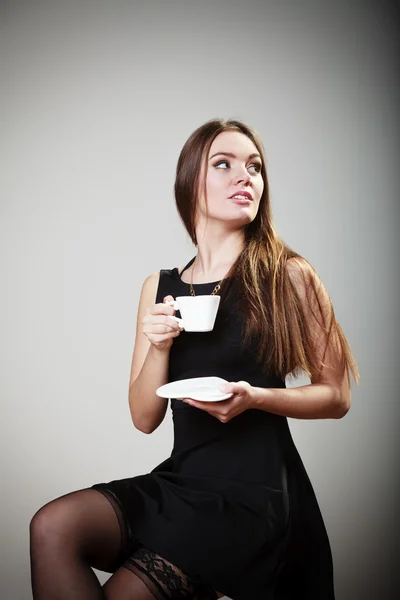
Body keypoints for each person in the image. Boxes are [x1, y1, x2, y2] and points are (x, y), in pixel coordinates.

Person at [29, 118, 359, 600]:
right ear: (189, 183)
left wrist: (257, 398)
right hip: (183, 481)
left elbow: (337, 396)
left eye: (254, 167)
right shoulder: (158, 288)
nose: (244, 176)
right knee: (52, 526)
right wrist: (160, 345)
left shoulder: (288, 275)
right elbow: (144, 418)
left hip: (255, 495)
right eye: (223, 164)